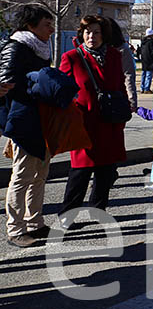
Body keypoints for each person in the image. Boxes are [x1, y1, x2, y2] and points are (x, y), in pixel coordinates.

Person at [58, 15, 128, 227]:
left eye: (96, 32)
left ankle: (98, 211)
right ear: (81, 34)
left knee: (106, 170)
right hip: (84, 123)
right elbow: (62, 91)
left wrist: (124, 108)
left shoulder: (115, 56)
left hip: (110, 122)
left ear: (103, 35)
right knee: (80, 171)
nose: (91, 36)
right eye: (87, 32)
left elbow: (119, 85)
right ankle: (67, 217)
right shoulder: (71, 57)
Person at [0, 5, 55, 247]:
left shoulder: (41, 47)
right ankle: (15, 230)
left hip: (42, 118)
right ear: (30, 26)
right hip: (22, 119)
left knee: (40, 173)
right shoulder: (16, 47)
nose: (52, 29)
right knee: (22, 175)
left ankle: (35, 222)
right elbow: (4, 82)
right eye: (46, 24)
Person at [107, 18, 137, 112]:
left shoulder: (122, 49)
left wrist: (132, 100)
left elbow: (128, 75)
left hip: (115, 97)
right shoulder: (95, 50)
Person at [139, 28, 153, 93]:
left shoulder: (143, 42)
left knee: (143, 74)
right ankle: (146, 88)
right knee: (149, 75)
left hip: (144, 60)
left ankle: (142, 88)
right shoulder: (151, 42)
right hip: (150, 61)